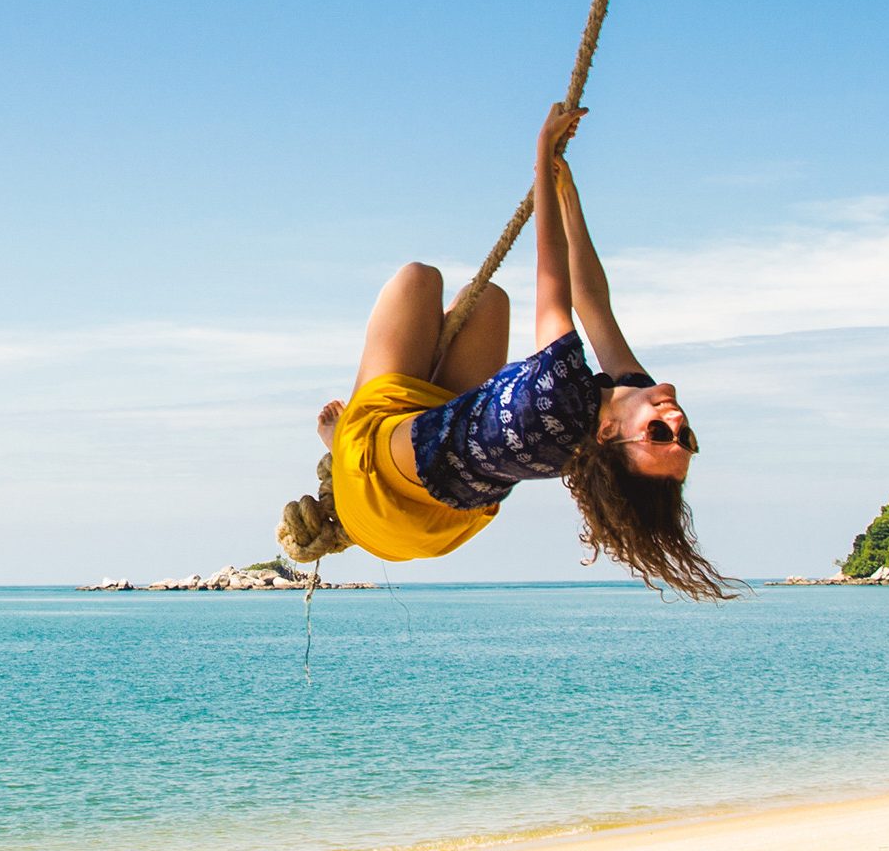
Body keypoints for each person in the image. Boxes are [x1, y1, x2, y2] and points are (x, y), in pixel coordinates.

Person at [302, 103, 731, 599]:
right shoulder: (632, 396)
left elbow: (552, 280)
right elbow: (592, 301)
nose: (675, 424)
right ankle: (408, 414)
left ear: (610, 432)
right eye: (686, 439)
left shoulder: (554, 401)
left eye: (659, 436)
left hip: (381, 493)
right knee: (487, 300)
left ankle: (343, 443)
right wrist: (570, 196)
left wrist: (542, 159)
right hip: (446, 495)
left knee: (419, 280)